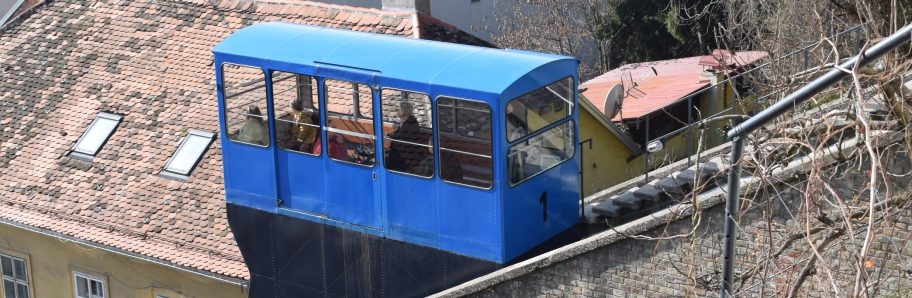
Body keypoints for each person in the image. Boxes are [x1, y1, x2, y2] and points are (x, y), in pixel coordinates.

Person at [386, 102, 425, 172]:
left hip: (405, 157)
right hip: (402, 152)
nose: (397, 111)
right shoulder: (404, 121)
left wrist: (391, 138)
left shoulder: (411, 123)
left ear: (404, 111)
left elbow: (404, 138)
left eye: (398, 110)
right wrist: (390, 136)